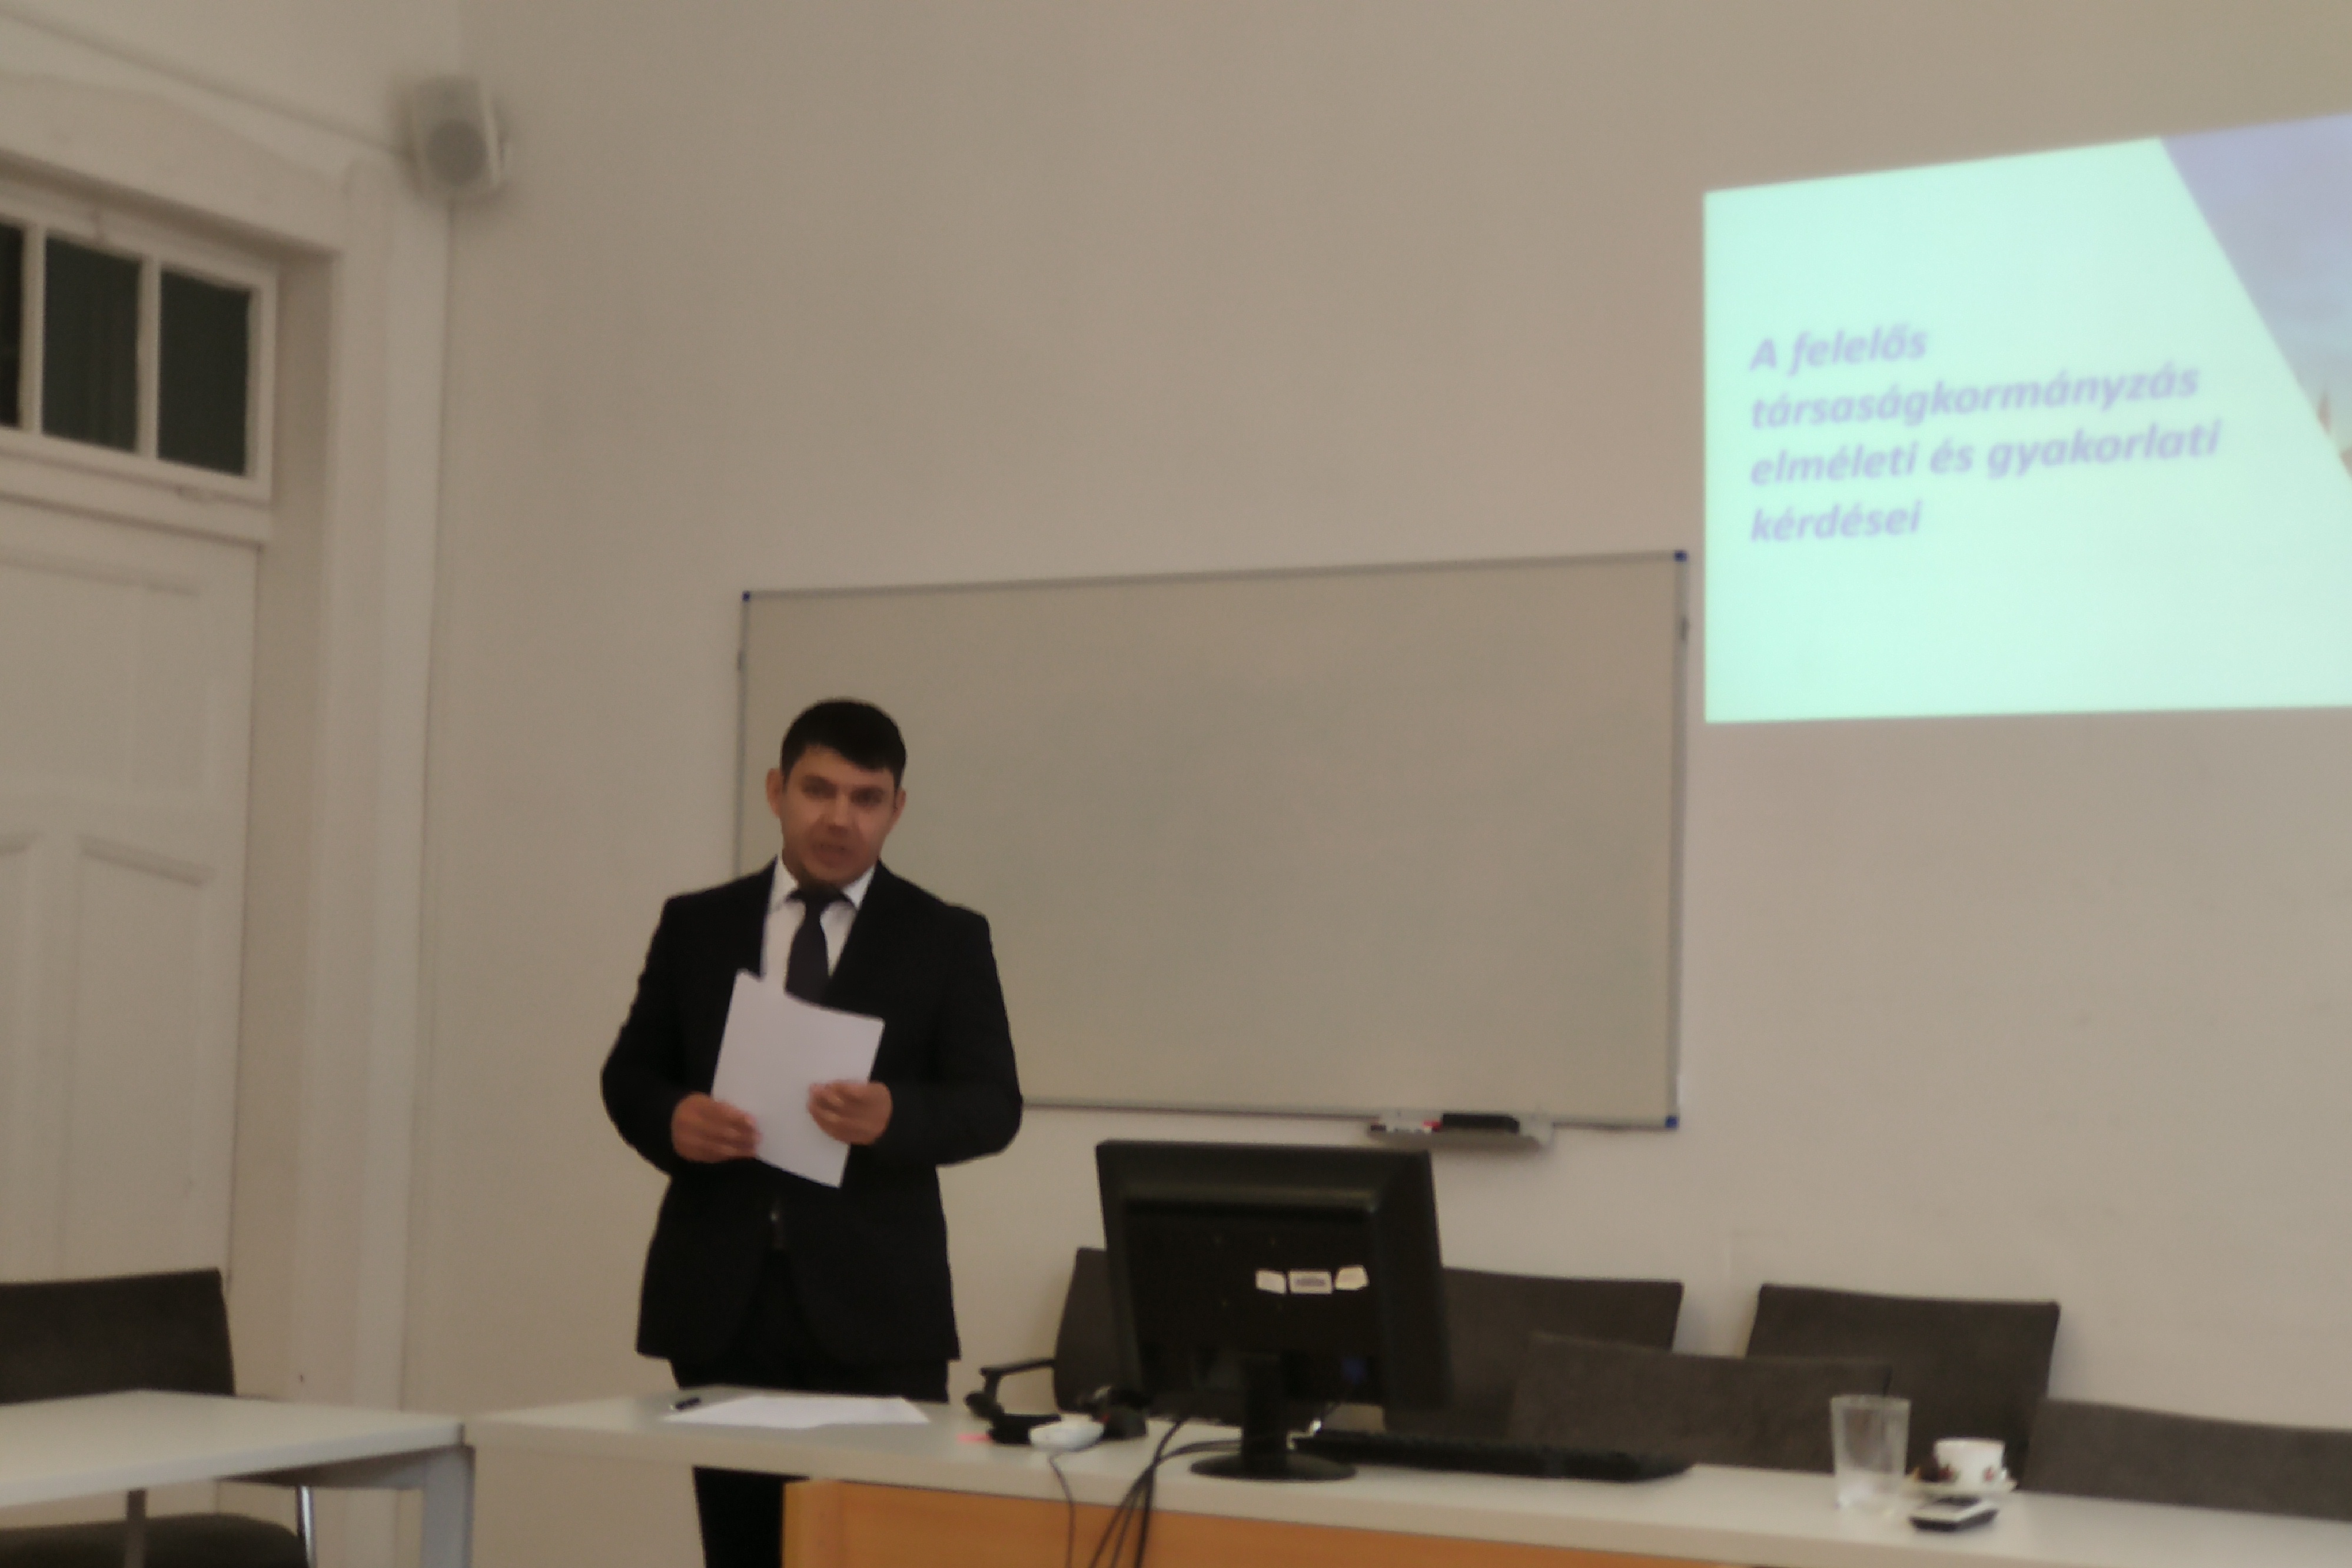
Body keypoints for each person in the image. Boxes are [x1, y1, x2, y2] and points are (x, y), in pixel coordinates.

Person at [602, 698, 1021, 1568]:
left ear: (897, 809)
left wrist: (896, 1116)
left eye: (866, 798)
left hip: (877, 1305)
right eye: (818, 790)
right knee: (742, 1546)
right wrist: (672, 1119)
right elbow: (631, 1074)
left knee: (874, 1549)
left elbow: (993, 1104)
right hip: (725, 1299)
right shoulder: (698, 924)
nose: (840, 818)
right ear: (776, 792)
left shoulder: (945, 937)